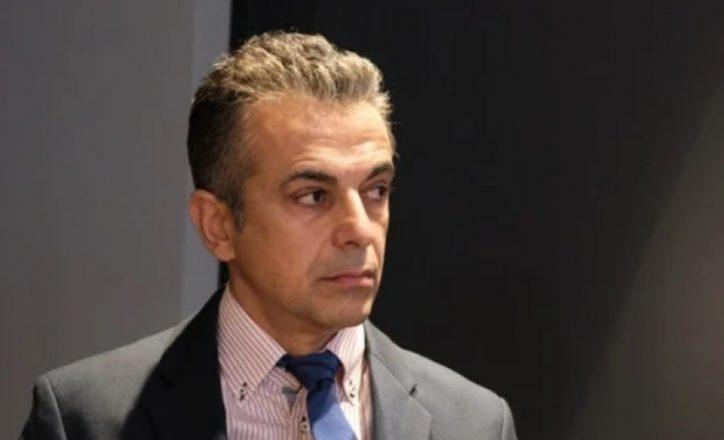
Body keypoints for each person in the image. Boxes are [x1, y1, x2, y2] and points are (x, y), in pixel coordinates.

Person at [21, 31, 517, 440]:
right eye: (313, 196)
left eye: (376, 190)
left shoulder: (474, 425)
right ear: (217, 226)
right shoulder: (85, 420)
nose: (359, 230)